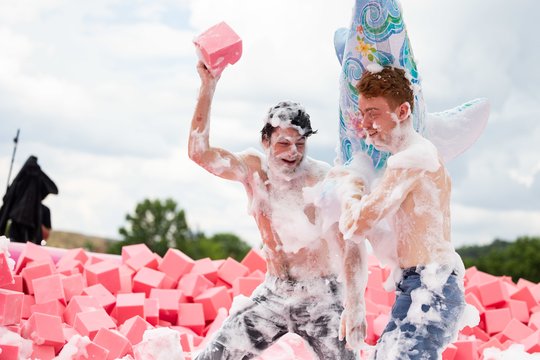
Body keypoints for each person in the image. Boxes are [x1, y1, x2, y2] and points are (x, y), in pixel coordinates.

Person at [188, 61, 362, 360]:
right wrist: (208, 86)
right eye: (283, 143)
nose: (292, 152)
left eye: (300, 143)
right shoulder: (254, 171)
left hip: (322, 297)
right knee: (212, 357)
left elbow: (351, 243)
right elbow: (199, 153)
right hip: (274, 294)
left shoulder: (322, 180)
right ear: (265, 141)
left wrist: (355, 305)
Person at [338, 66, 466, 359]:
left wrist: (351, 185)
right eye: (363, 112)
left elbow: (357, 223)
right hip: (425, 284)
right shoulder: (415, 157)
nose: (365, 123)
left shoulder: (413, 159)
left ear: (404, 110)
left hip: (431, 287)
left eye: (373, 112)